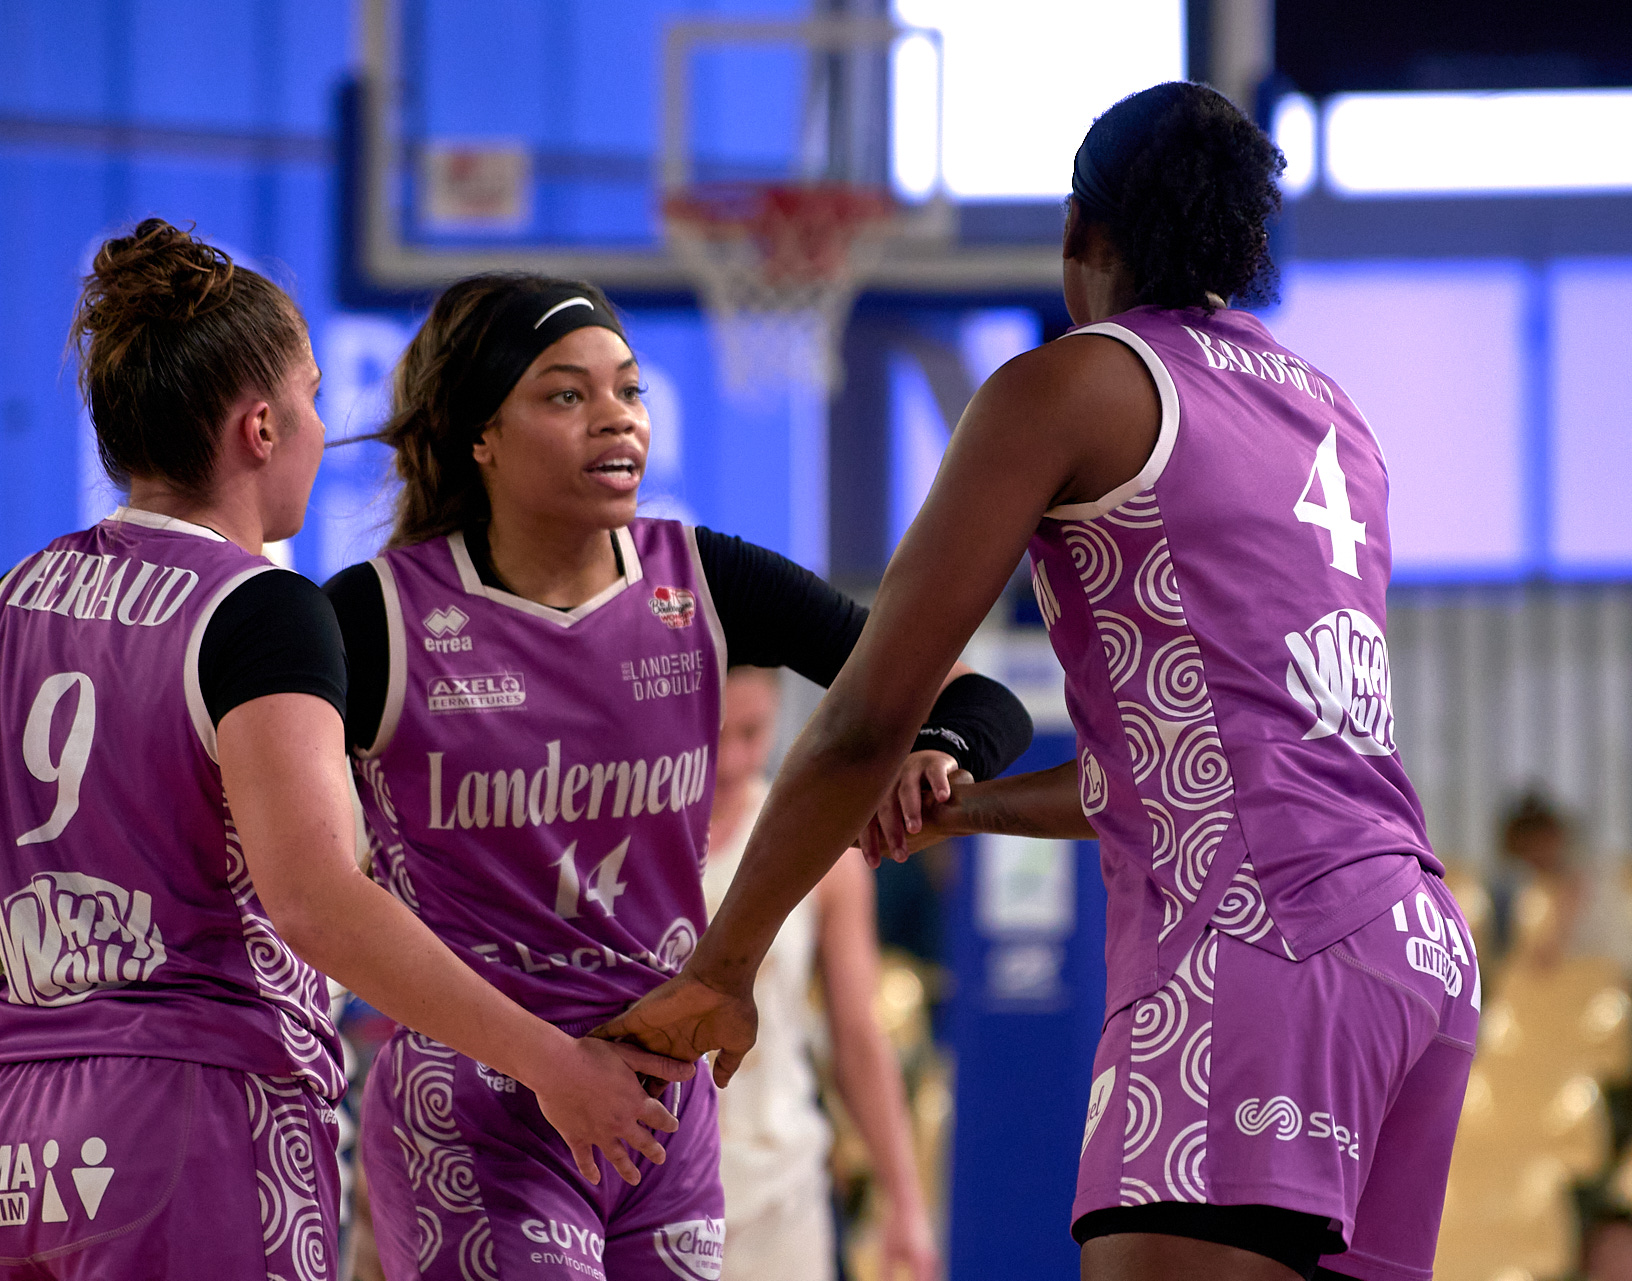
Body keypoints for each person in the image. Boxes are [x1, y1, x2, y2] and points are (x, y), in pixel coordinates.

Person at [605, 82, 1479, 1281]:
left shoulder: (1072, 386)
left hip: (1256, 945)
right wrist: (970, 808)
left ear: (1080, 228)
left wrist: (724, 964)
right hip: (1413, 951)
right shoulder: (1335, 417)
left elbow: (867, 713)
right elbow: (1213, 764)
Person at [0, 220, 690, 1281]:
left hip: (14, 1139)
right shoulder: (259, 609)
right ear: (261, 427)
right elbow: (315, 900)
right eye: (314, 397)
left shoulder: (11, 600)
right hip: (193, 1117)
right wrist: (552, 1061)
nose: (327, 427)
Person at [321, 271, 1032, 1280]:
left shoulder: (702, 578)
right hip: (477, 1109)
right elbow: (297, 873)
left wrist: (940, 752)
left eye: (629, 389)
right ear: (482, 434)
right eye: (566, 394)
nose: (616, 417)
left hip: (665, 1107)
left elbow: (980, 698)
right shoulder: (374, 618)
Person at [703, 667, 937, 1281]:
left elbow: (858, 1036)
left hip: (781, 1190)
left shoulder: (818, 844)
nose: (732, 761)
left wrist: (905, 1202)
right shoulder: (626, 835)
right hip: (647, 1189)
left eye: (752, 733)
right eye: (715, 734)